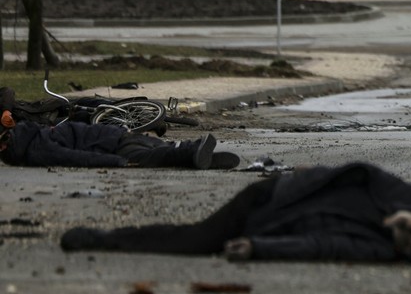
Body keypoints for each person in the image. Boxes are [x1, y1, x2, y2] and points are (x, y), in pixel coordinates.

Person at [57, 162, 411, 264]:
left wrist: (258, 247)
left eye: (406, 241)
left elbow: (319, 245)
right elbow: (363, 170)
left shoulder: (380, 248)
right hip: (274, 195)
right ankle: (104, 239)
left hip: (269, 222)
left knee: (200, 242)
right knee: (198, 240)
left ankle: (106, 239)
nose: (401, 232)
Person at [0, 111, 235, 170]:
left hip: (115, 147)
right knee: (160, 147)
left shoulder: (36, 150)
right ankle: (198, 154)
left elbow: (76, 158)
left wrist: (114, 162)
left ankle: (191, 152)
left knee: (152, 158)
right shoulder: (34, 131)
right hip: (116, 134)